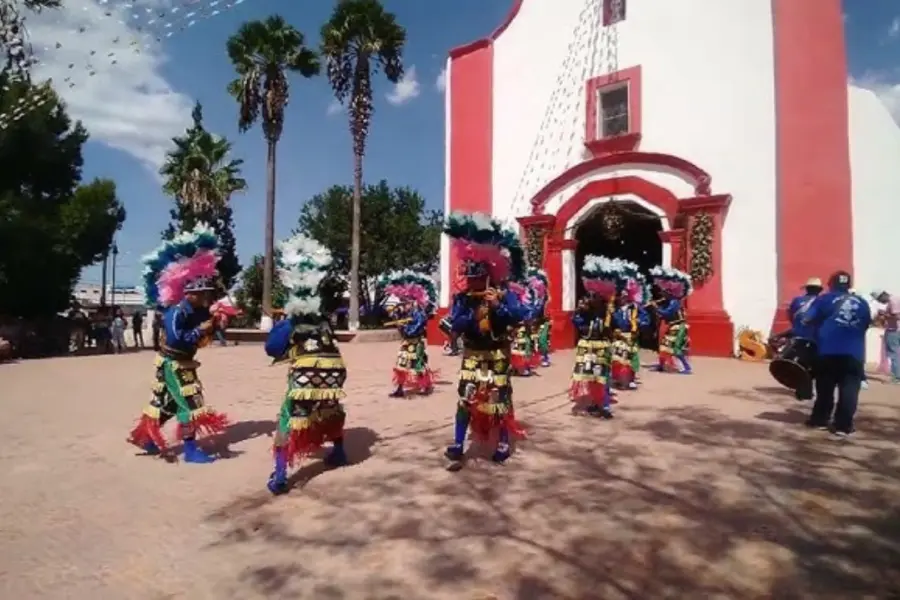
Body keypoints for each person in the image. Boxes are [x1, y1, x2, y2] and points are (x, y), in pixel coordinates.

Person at [126, 224, 230, 462]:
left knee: (171, 404)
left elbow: (206, 332)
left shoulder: (196, 310)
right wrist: (201, 329)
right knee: (189, 404)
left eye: (207, 294)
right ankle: (191, 450)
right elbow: (177, 339)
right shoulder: (177, 312)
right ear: (189, 294)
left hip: (184, 362)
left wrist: (216, 321)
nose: (206, 297)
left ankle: (145, 437)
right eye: (202, 294)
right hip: (173, 363)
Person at [264, 233, 347, 494]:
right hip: (335, 370)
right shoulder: (323, 320)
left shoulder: (295, 320)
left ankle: (279, 476)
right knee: (329, 407)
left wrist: (282, 323)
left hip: (308, 373)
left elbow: (272, 348)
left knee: (288, 416)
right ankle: (339, 451)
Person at [444, 211, 528, 464]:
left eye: (477, 278)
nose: (473, 282)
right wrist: (470, 316)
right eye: (470, 278)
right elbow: (454, 324)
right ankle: (458, 443)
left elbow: (519, 315)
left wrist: (498, 306)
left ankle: (502, 442)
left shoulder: (504, 292)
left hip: (497, 355)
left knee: (498, 400)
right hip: (471, 355)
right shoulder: (462, 299)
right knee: (465, 399)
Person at [803, 271, 871, 438]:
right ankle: (843, 426)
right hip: (854, 353)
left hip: (827, 350)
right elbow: (866, 324)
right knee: (849, 390)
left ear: (830, 284)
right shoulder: (862, 302)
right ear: (849, 285)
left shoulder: (824, 299)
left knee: (825, 388)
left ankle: (820, 420)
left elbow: (807, 319)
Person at [569, 255, 621, 419]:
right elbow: (577, 323)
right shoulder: (586, 309)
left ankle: (604, 405)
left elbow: (615, 324)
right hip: (587, 346)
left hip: (602, 346)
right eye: (592, 295)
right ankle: (593, 402)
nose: (593, 298)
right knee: (589, 376)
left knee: (602, 376)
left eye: (597, 296)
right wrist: (580, 311)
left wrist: (611, 311)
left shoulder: (608, 309)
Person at [378, 270, 438, 397]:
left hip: (416, 343)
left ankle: (424, 386)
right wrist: (395, 318)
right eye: (402, 302)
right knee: (401, 365)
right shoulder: (403, 313)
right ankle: (400, 388)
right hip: (406, 343)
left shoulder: (419, 314)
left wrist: (403, 326)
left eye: (405, 302)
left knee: (419, 365)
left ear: (413, 302)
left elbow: (414, 329)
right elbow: (401, 327)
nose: (403, 305)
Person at [780, 277, 824, 400]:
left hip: (798, 336)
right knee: (814, 366)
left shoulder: (797, 301)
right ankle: (810, 389)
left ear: (807, 288)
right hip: (816, 338)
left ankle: (802, 389)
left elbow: (791, 317)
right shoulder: (823, 302)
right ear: (819, 290)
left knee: (799, 364)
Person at [610, 265, 650, 390]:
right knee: (617, 358)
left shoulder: (635, 308)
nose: (623, 296)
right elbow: (612, 322)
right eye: (621, 294)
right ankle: (618, 379)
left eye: (625, 293)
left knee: (631, 359)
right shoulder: (614, 309)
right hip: (619, 337)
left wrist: (637, 323)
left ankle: (631, 379)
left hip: (631, 336)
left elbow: (646, 320)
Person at [649, 265, 693, 374]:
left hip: (679, 328)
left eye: (663, 292)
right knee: (664, 347)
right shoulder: (669, 301)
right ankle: (661, 365)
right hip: (673, 327)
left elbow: (667, 313)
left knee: (677, 349)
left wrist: (655, 308)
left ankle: (687, 367)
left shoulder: (674, 302)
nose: (661, 294)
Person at [872, 289, 899, 384]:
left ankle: (897, 377)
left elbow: (897, 316)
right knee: (894, 353)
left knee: (894, 353)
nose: (880, 302)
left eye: (879, 299)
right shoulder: (894, 300)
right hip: (894, 329)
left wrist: (885, 315)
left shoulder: (893, 301)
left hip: (894, 330)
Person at [526, 269, 552, 367]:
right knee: (528, 341)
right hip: (529, 320)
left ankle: (545, 357)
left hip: (542, 320)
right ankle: (528, 361)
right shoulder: (528, 295)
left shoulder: (545, 297)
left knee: (542, 339)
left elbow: (546, 311)